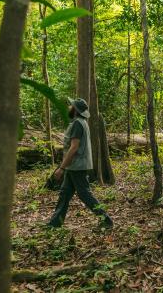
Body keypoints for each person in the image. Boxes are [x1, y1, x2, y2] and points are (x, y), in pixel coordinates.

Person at [48, 98, 113, 228]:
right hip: (74, 166)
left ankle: (106, 220)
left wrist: (61, 168)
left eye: (71, 106)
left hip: (77, 166)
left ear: (75, 110)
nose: (69, 108)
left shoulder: (78, 123)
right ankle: (55, 223)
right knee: (65, 194)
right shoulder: (82, 122)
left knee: (84, 194)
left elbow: (74, 147)